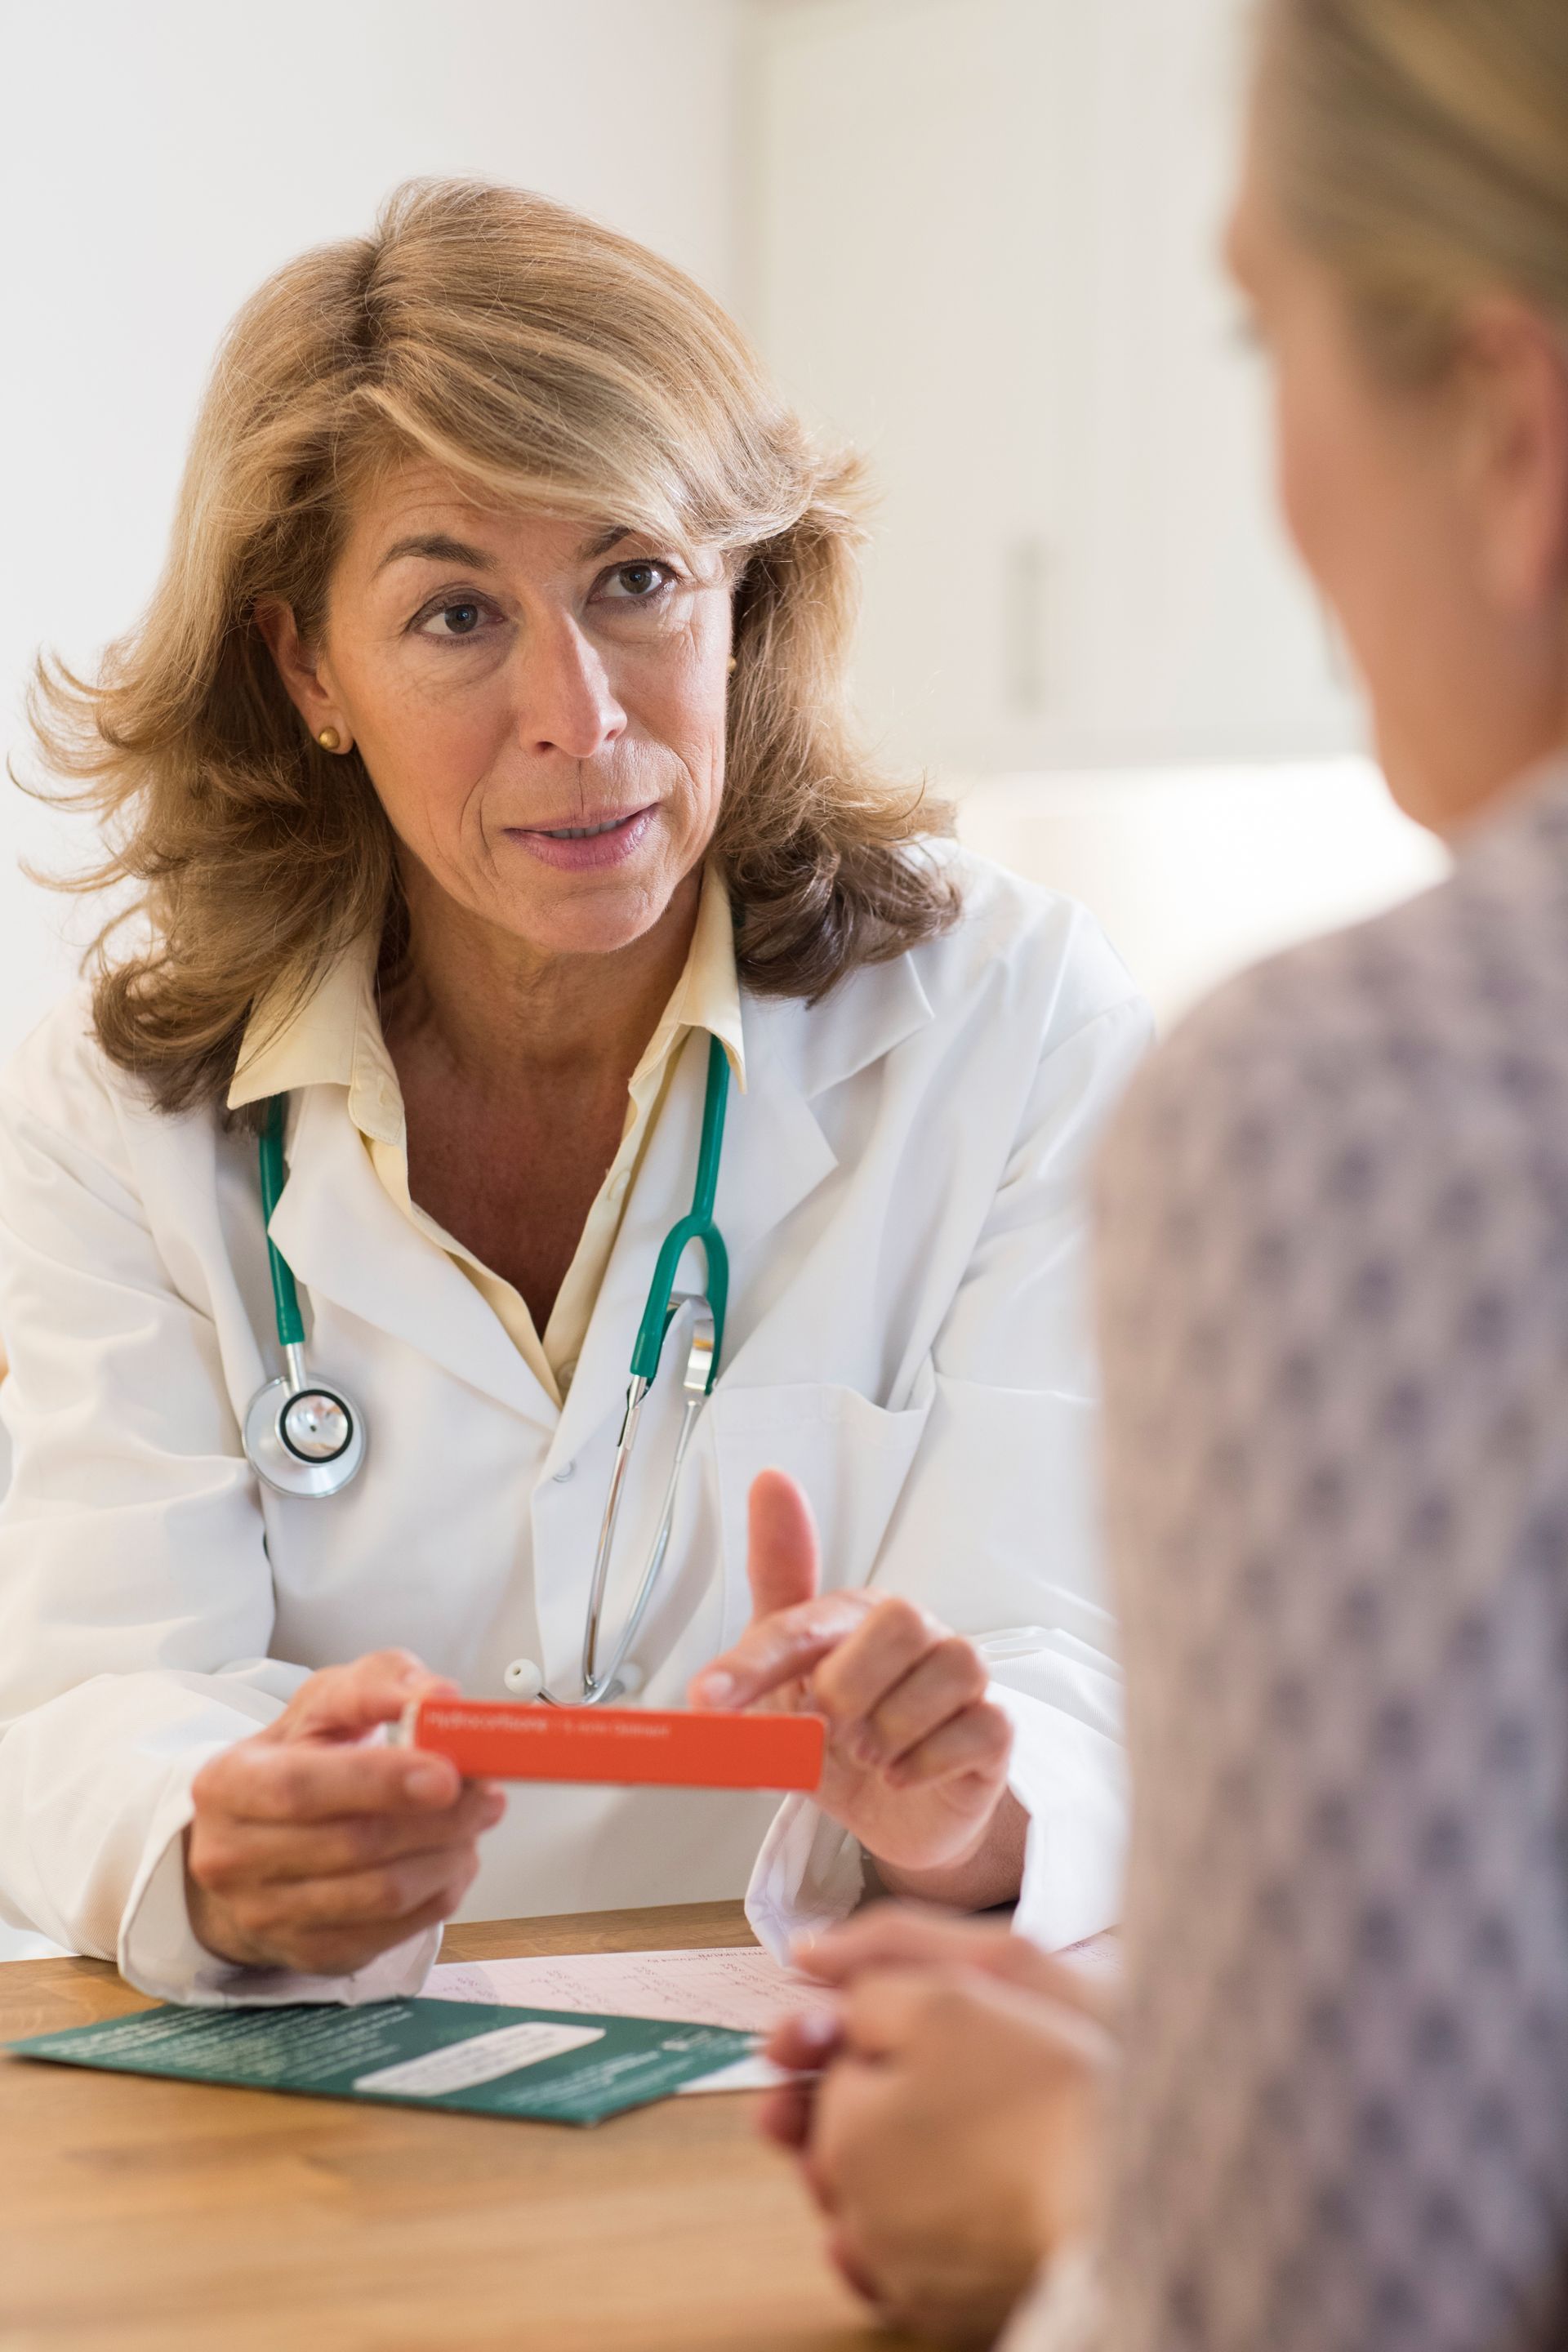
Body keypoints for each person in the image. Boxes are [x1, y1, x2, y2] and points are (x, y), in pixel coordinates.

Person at [0, 181, 1148, 2007]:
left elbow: (1073, 1664)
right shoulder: (121, 1107)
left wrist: (958, 1803)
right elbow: (86, 1691)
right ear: (309, 669)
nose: (584, 715)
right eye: (456, 615)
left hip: (824, 2079)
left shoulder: (1005, 1025)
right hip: (311, 2114)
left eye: (637, 580)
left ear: (743, 596)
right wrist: (214, 1838)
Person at [764, 0, 1568, 2343]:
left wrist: (1073, 2175)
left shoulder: (1388, 1105)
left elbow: (1303, 2309)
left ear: (1509, 433)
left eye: (1262, 334)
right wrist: (1223, 2072)